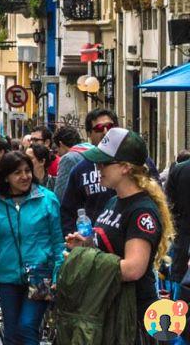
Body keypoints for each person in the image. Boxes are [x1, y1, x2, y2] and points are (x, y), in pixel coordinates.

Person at [65, 127, 174, 341]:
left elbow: (133, 269)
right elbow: (110, 250)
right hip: (110, 308)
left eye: (104, 163)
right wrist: (86, 246)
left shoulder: (142, 211)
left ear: (125, 167)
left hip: (134, 315)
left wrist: (83, 261)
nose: (98, 168)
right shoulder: (114, 200)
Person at [0, 151, 64, 345]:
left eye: (27, 171)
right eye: (17, 173)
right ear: (6, 177)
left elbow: (57, 241)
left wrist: (58, 272)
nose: (24, 177)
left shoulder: (47, 199)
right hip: (6, 277)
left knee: (27, 327)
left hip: (40, 275)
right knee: (11, 334)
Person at [59, 109, 118, 235]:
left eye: (110, 126)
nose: (105, 131)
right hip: (91, 244)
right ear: (89, 134)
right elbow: (67, 211)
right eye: (99, 128)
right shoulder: (80, 170)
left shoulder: (135, 163)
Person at [165, 153, 190, 290]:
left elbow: (168, 204)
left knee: (178, 272)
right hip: (182, 229)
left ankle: (177, 306)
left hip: (183, 229)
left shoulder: (178, 170)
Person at [52, 125, 92, 201]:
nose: (58, 154)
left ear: (61, 144)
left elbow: (60, 194)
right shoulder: (92, 152)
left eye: (57, 149)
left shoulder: (68, 159)